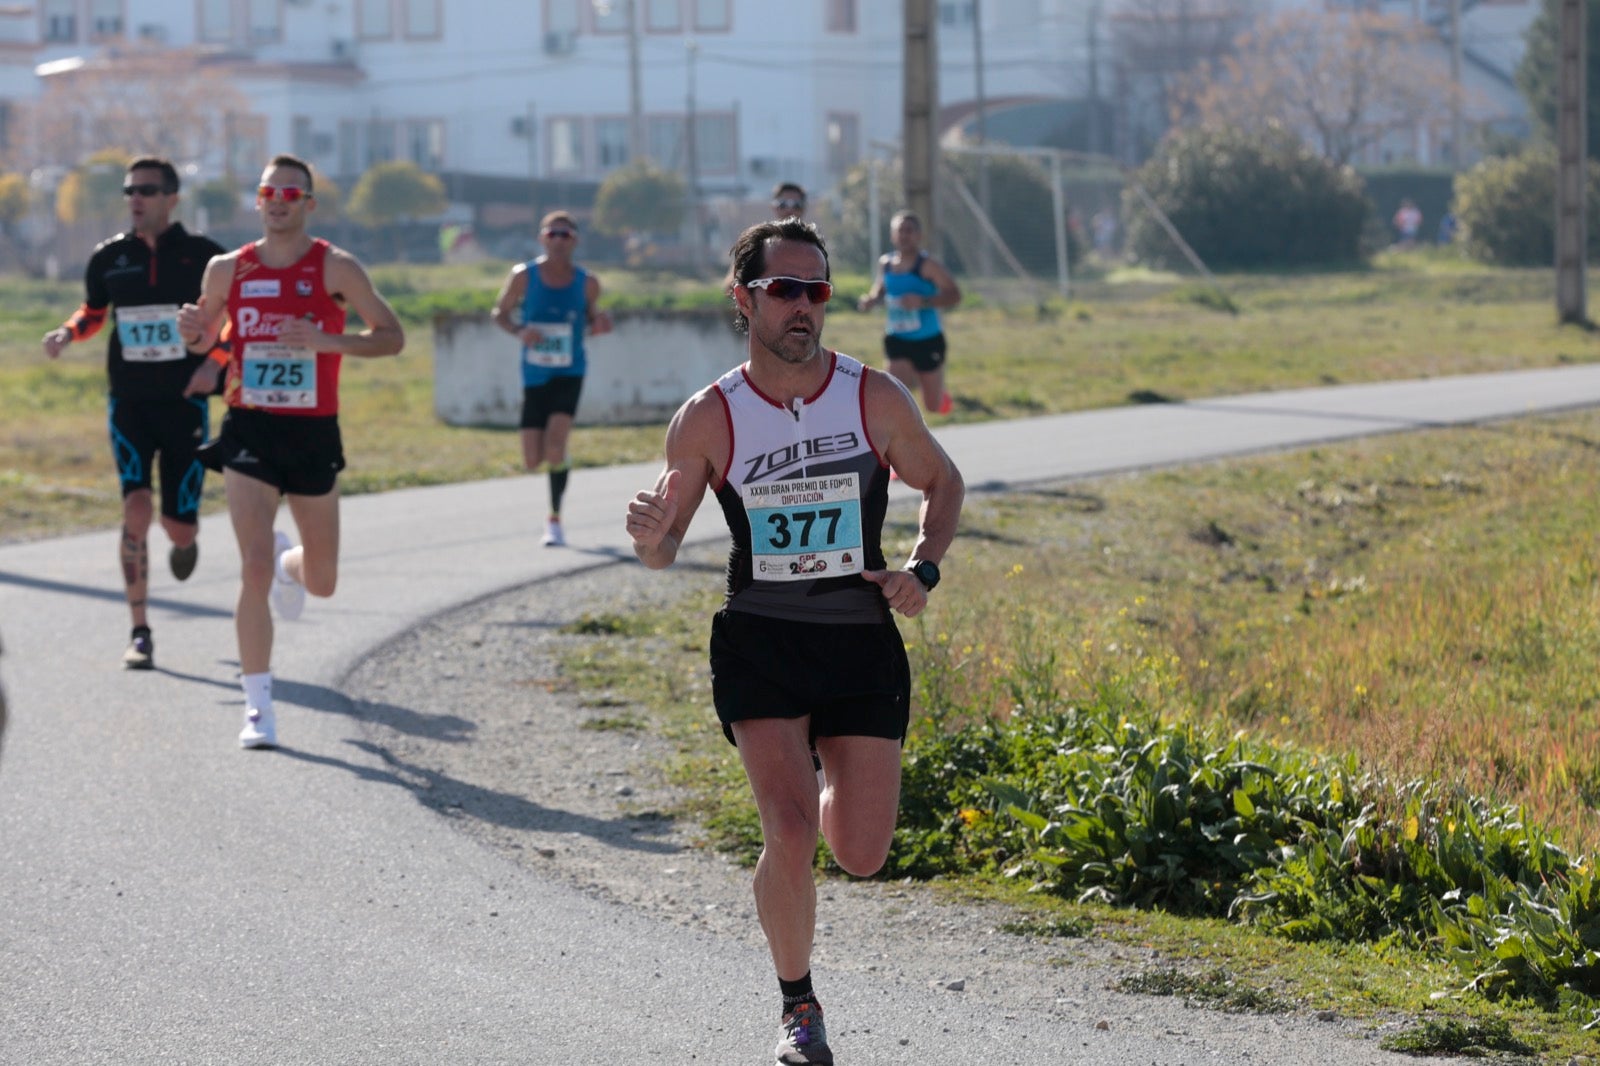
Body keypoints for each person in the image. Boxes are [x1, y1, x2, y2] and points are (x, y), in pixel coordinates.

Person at [625, 217, 964, 1064]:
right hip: (763, 642)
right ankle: (798, 1006)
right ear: (743, 300)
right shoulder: (709, 417)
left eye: (818, 290)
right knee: (788, 831)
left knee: (862, 852)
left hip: (858, 643)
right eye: (786, 290)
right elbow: (667, 549)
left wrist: (921, 570)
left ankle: (810, 814)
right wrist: (652, 537)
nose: (805, 307)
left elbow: (942, 479)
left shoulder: (873, 396)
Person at [176, 153, 405, 749]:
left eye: (291, 193)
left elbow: (392, 336)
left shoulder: (335, 266)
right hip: (248, 426)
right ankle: (259, 708)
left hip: (312, 432)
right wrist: (192, 333)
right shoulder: (226, 270)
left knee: (322, 581)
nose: (279, 200)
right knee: (247, 566)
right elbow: (205, 332)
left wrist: (328, 339)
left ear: (308, 203)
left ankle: (289, 565)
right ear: (257, 200)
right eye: (269, 191)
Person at [41, 157, 227, 670]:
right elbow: (94, 311)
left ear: (172, 198)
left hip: (185, 402)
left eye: (146, 190)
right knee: (136, 509)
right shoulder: (110, 257)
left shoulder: (205, 258)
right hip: (129, 401)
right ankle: (140, 630)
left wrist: (214, 365)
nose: (135, 199)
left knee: (177, 526)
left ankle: (186, 537)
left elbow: (234, 320)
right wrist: (67, 331)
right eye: (129, 190)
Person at [490, 210, 614, 547]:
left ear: (575, 240)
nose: (559, 240)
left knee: (555, 445)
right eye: (552, 234)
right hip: (534, 373)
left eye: (566, 235)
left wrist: (600, 324)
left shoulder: (588, 282)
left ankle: (554, 520)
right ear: (541, 238)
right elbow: (499, 313)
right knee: (533, 459)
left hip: (570, 370)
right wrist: (519, 330)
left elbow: (594, 320)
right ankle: (562, 462)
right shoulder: (523, 276)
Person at [857, 210, 961, 416]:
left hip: (927, 339)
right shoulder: (885, 263)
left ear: (919, 235)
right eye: (900, 231)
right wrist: (870, 300)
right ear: (892, 235)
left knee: (932, 405)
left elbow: (954, 295)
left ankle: (936, 391)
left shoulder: (928, 265)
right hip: (897, 338)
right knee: (893, 396)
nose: (904, 235)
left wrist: (923, 301)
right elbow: (880, 289)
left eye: (909, 230)